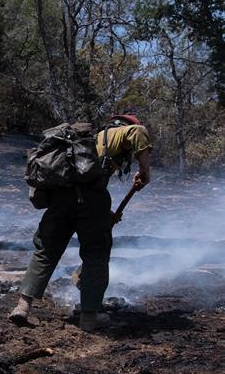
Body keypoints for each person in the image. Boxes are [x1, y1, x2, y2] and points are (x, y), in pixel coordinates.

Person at [10, 115, 152, 331]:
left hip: (60, 202)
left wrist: (108, 215)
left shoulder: (81, 146)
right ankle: (89, 318)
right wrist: (145, 170)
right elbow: (138, 132)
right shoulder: (114, 135)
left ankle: (22, 306)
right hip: (91, 204)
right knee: (96, 255)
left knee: (45, 251)